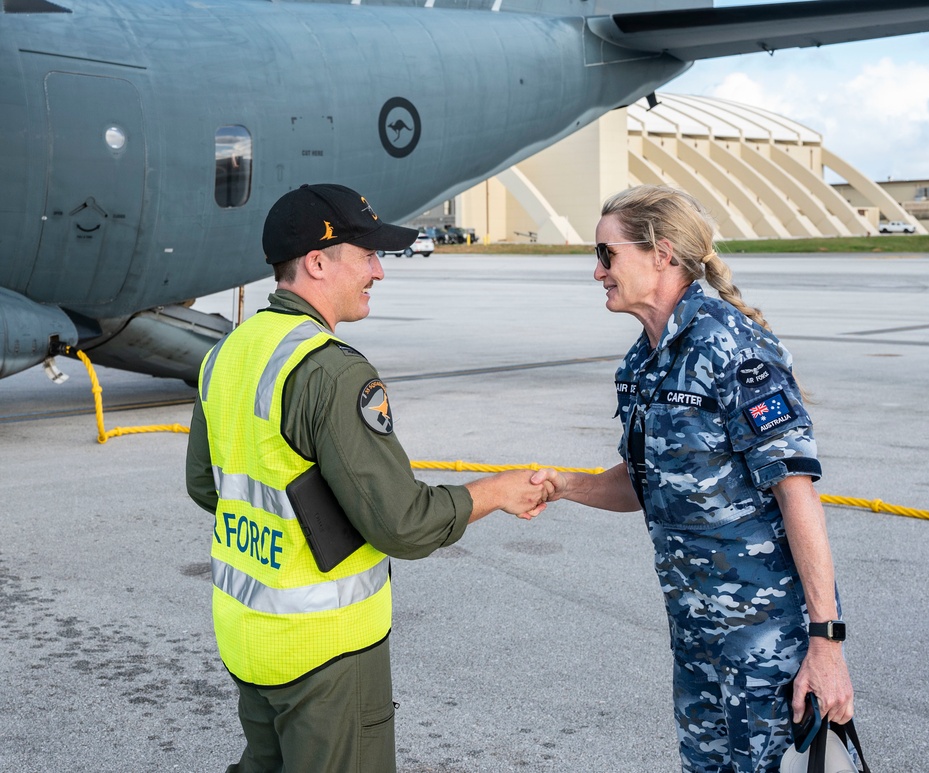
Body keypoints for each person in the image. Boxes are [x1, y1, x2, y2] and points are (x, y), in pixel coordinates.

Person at [185, 183, 550, 773]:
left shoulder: (226, 353)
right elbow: (401, 524)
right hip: (325, 647)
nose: (379, 271)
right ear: (317, 262)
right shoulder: (330, 369)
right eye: (368, 254)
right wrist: (498, 492)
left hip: (246, 633)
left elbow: (208, 487)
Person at [531, 185, 854, 772]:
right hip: (696, 631)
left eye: (607, 254)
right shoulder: (642, 362)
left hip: (765, 639)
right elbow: (643, 484)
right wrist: (564, 485)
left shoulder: (730, 345)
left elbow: (797, 494)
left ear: (662, 253)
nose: (597, 271)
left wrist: (825, 641)